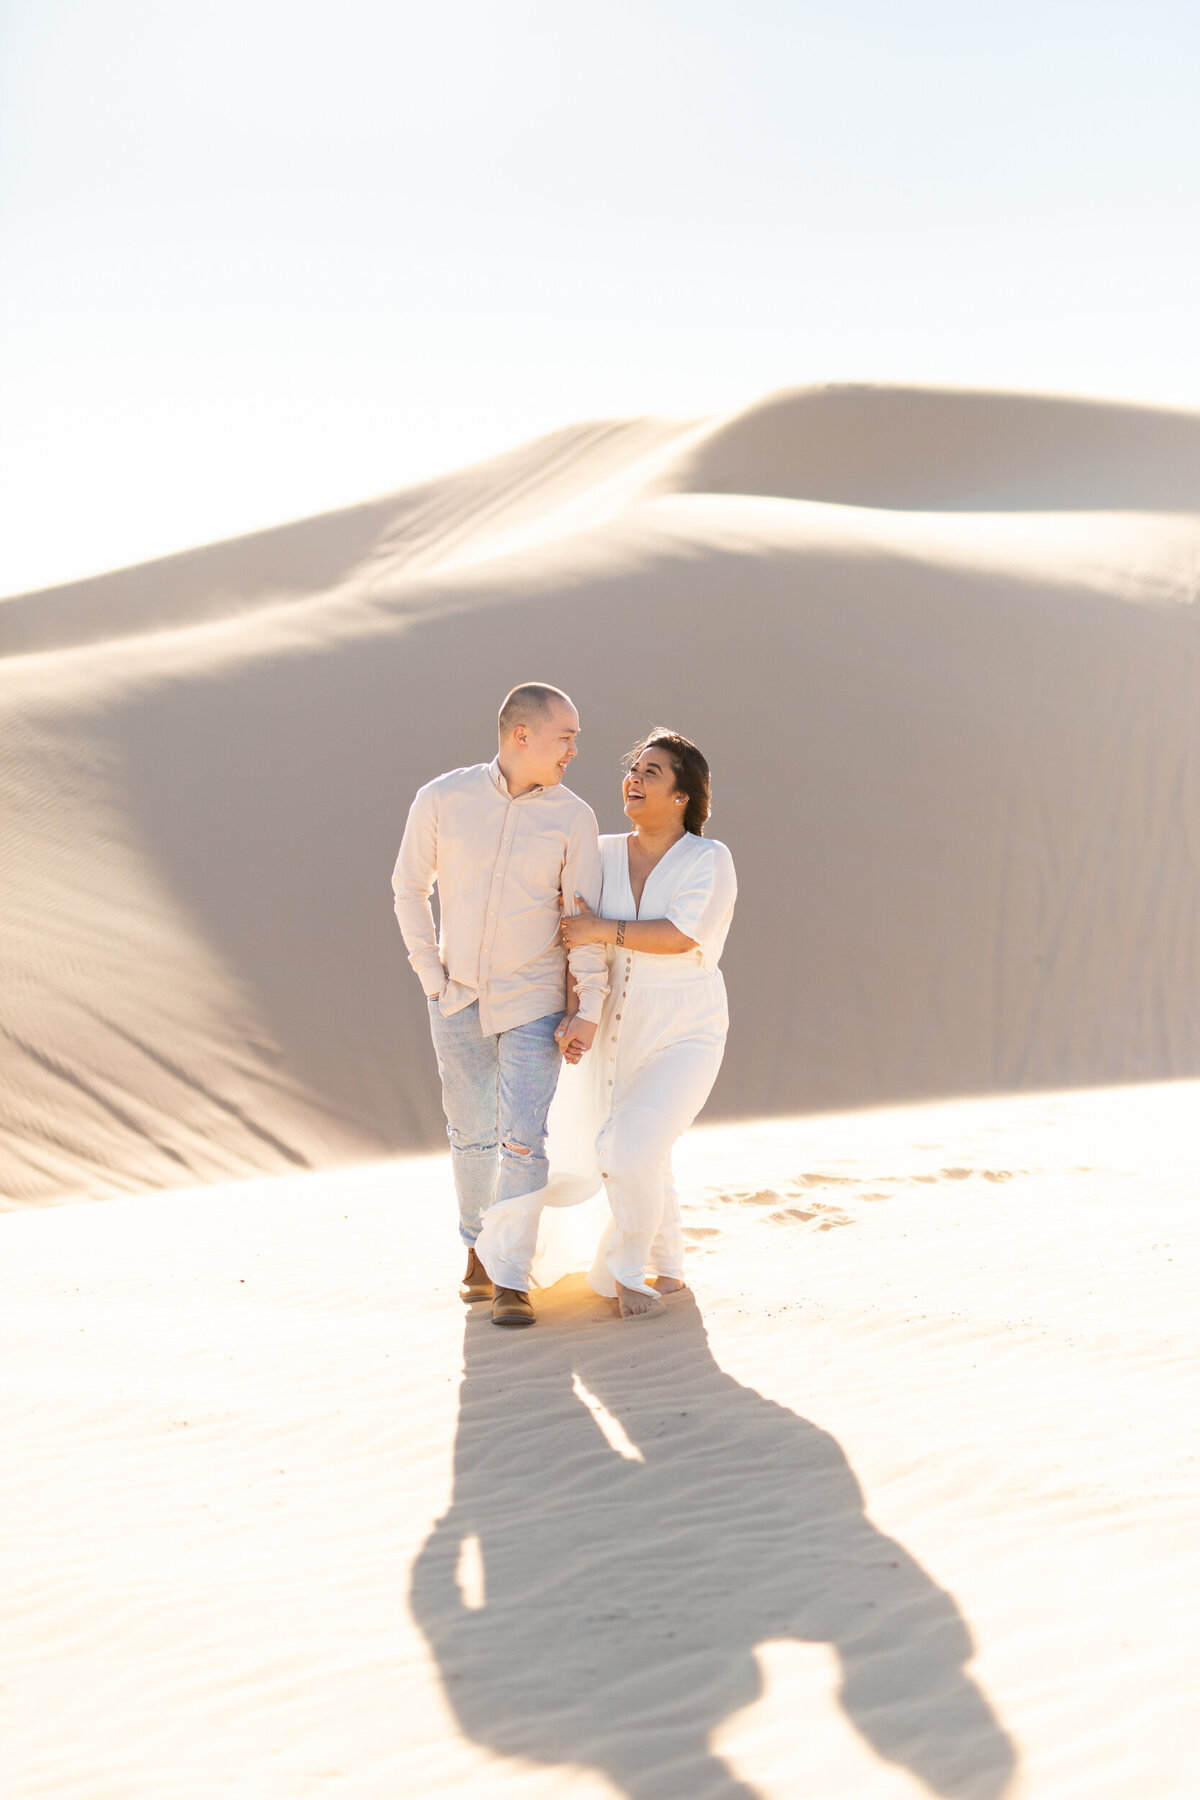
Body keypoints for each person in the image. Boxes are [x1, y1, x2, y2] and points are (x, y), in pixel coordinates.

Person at [475, 729, 736, 1319]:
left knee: (630, 1143)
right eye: (634, 769)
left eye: (654, 772)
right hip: (613, 1023)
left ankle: (625, 1272)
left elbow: (679, 935)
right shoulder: (602, 850)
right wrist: (578, 1010)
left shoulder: (709, 859)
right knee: (642, 1146)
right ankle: (668, 1266)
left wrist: (603, 930)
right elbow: (575, 938)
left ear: (684, 796)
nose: (635, 779)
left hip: (687, 1026)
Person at [391, 684, 607, 1329]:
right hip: (455, 998)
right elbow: (408, 887)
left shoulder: (574, 816)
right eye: (564, 736)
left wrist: (587, 1004)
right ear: (521, 735)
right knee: (471, 1135)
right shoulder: (442, 798)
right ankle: (475, 1252)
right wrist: (431, 974)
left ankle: (512, 1275)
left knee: (523, 1139)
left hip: (534, 1001)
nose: (573, 749)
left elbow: (583, 920)